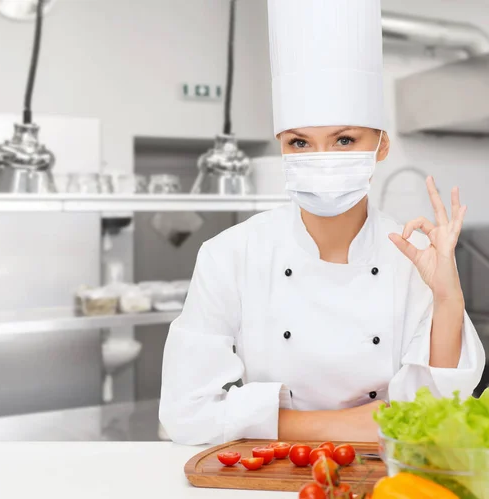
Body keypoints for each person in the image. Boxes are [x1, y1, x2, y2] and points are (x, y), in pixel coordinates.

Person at [158, 0, 485, 445]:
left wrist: (448, 296)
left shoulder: (413, 260)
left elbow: (437, 408)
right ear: (281, 147)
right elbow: (184, 412)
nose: (322, 159)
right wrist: (345, 426)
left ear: (381, 145)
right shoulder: (231, 253)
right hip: (270, 475)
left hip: (379, 477)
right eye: (300, 142)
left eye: (344, 139)